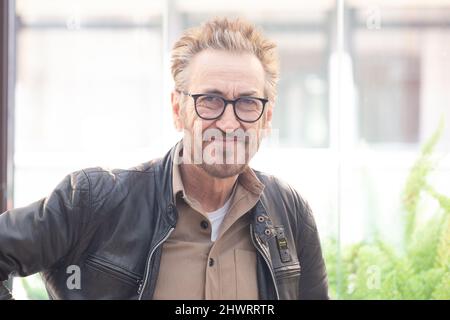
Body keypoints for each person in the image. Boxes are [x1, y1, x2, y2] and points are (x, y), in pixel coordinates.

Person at [0, 17, 328, 300]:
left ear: (266, 117)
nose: (229, 123)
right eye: (210, 100)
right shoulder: (93, 200)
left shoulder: (290, 212)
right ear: (177, 110)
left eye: (247, 103)